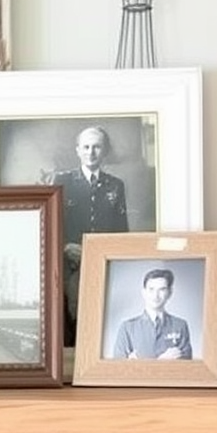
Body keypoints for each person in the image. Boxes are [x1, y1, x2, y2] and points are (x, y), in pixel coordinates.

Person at [54, 125, 129, 343]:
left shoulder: (116, 185)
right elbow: (51, 224)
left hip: (104, 262)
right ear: (77, 150)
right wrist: (65, 247)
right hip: (70, 263)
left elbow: (121, 229)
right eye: (86, 147)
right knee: (73, 320)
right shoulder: (62, 181)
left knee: (104, 319)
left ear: (104, 151)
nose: (91, 152)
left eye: (97, 147)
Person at [112, 265, 193, 360]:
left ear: (170, 292)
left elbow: (186, 368)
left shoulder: (180, 326)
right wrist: (162, 360)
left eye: (162, 289)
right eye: (151, 289)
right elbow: (119, 368)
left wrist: (139, 363)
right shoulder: (127, 328)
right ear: (144, 292)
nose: (156, 295)